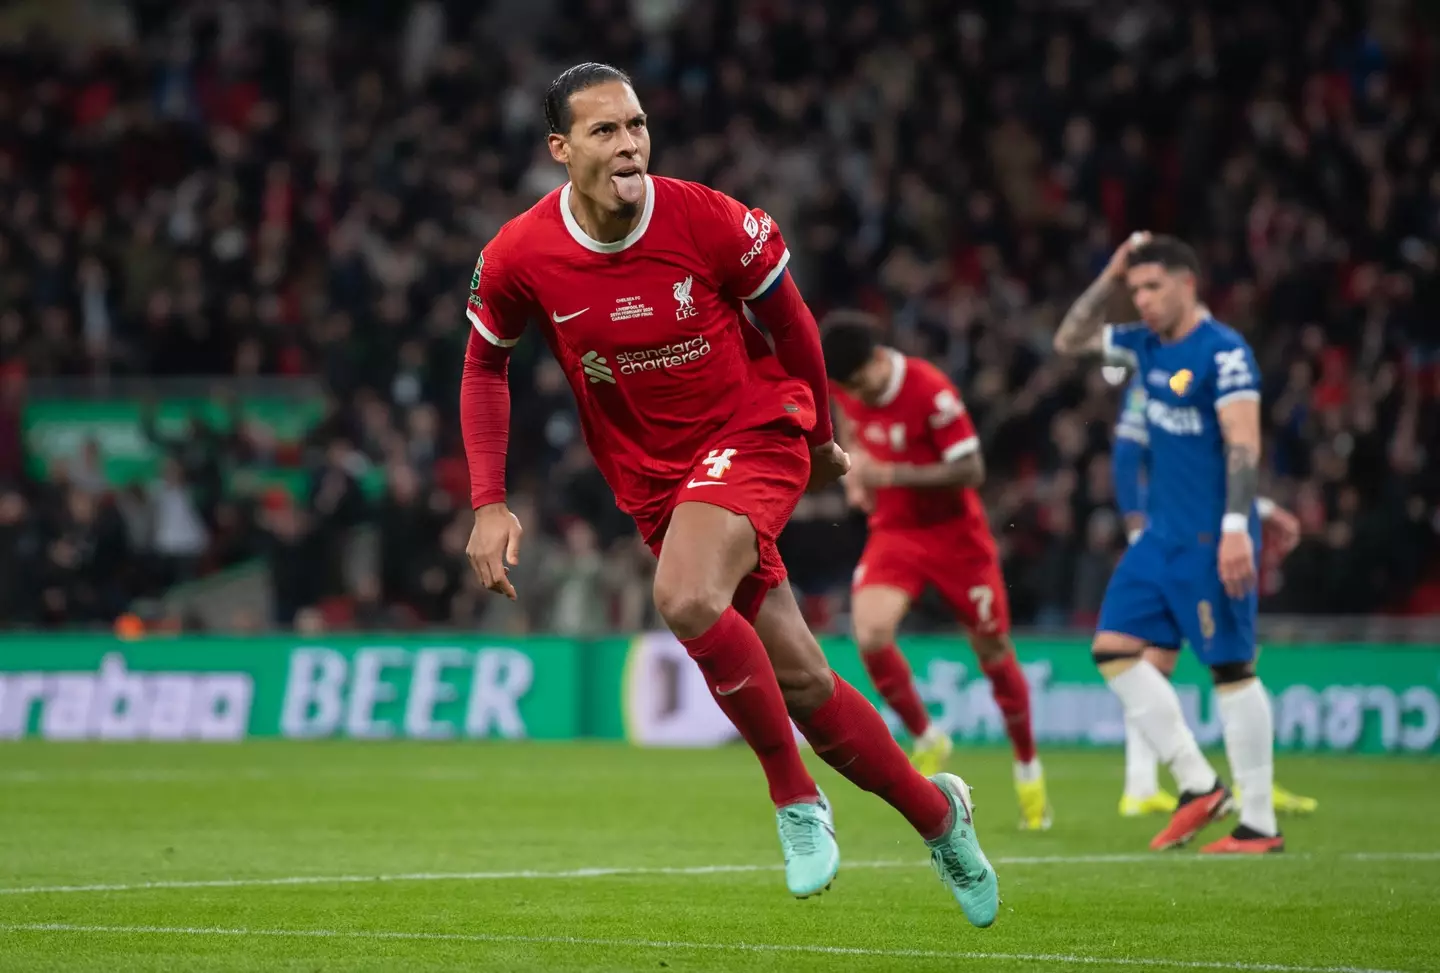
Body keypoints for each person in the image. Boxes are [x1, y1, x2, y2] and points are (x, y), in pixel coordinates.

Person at [459, 63, 998, 925]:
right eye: (604, 131)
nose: (630, 143)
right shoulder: (520, 254)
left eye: (637, 124)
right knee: (804, 680)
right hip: (652, 478)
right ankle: (941, 815)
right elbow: (485, 363)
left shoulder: (709, 218)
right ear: (560, 150)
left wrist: (820, 436)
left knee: (683, 593)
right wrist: (489, 499)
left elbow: (792, 324)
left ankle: (795, 799)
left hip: (755, 429)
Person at [1053, 231, 1283, 854]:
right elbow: (1068, 340)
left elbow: (1242, 446)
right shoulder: (1143, 345)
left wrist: (1240, 527)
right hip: (1159, 537)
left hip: (1214, 538)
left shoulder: (1225, 354)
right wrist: (1109, 275)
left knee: (1231, 670)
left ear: (1189, 283)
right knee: (1113, 650)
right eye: (1137, 290)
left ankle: (1259, 822)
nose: (1144, 300)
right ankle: (1197, 783)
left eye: (1154, 287)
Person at [821, 313, 1051, 831]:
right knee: (871, 634)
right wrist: (858, 476)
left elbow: (972, 470)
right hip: (896, 533)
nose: (855, 393)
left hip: (957, 540)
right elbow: (855, 428)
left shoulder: (930, 390)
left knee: (993, 653)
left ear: (880, 360)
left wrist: (893, 473)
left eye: (859, 382)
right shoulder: (851, 389)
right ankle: (927, 736)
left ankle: (1028, 769)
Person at [1110, 372, 1318, 819]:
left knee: (1160, 660)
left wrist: (1257, 508)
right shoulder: (1165, 375)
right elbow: (1128, 457)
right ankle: (1243, 789)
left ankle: (1145, 784)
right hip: (1187, 541)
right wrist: (1136, 528)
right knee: (1222, 662)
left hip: (1204, 529)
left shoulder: (1192, 375)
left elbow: (1199, 470)